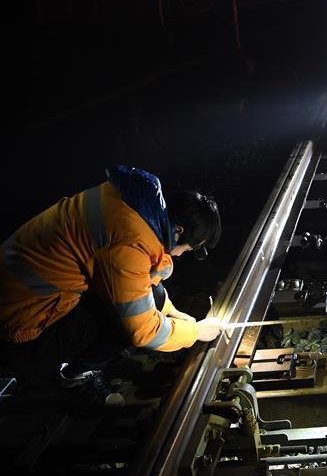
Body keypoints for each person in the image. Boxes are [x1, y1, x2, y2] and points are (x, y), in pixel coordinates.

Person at [0, 165, 224, 395]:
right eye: (187, 249)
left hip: (17, 292)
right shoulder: (129, 244)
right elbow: (144, 331)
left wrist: (172, 312)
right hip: (17, 327)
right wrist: (195, 333)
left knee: (154, 299)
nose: (180, 254)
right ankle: (75, 378)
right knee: (124, 323)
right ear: (178, 230)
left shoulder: (127, 203)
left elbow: (138, 280)